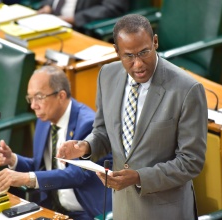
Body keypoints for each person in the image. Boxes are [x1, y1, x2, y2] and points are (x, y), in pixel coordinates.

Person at [57, 14, 208, 220]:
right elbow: (103, 132)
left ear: (155, 42)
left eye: (144, 52)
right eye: (129, 56)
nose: (138, 64)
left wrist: (139, 177)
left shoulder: (186, 90)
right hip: (123, 208)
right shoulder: (107, 76)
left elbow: (191, 161)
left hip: (166, 211)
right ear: (116, 51)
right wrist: (86, 146)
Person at [0, 66, 112, 220]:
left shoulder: (88, 124)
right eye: (30, 98)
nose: (33, 105)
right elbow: (42, 167)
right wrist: (13, 160)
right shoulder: (45, 118)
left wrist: (25, 178)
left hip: (85, 213)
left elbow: (76, 176)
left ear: (61, 95)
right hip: (50, 207)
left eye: (39, 97)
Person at [35, 0, 129, 31]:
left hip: (77, 28)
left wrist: (74, 19)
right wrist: (48, 6)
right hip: (47, 21)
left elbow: (113, 7)